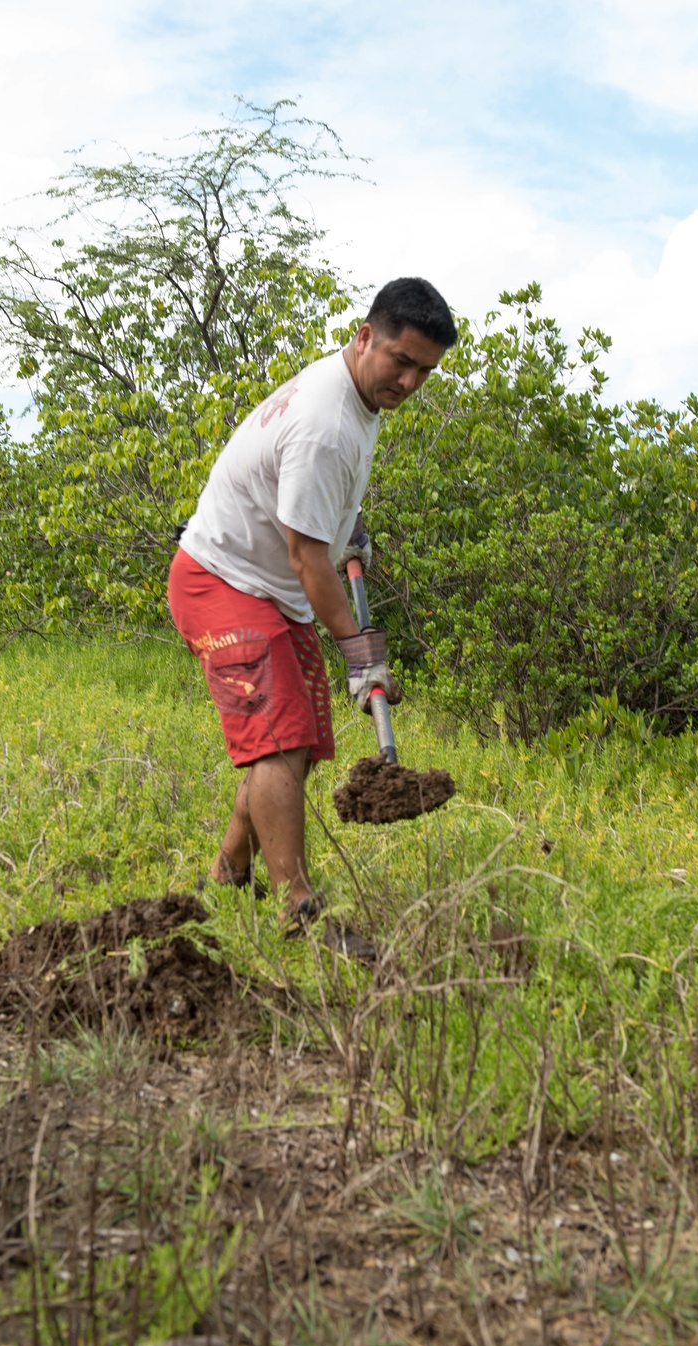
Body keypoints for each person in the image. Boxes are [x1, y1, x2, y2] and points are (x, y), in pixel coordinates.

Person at [168, 277, 457, 944]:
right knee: (280, 741)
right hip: (223, 581)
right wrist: (362, 658)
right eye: (401, 361)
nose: (410, 382)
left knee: (299, 748)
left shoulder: (356, 394)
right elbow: (306, 557)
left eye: (425, 371)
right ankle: (297, 909)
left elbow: (309, 522)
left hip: (270, 586)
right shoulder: (328, 425)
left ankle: (227, 874)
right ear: (364, 338)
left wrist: (344, 527)